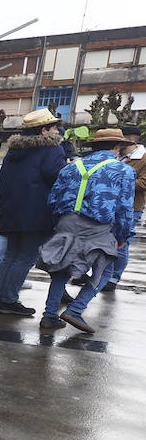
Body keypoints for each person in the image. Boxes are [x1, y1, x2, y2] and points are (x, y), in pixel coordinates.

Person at [35, 127, 136, 334]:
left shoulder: (71, 167)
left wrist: (60, 224)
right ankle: (76, 309)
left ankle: (49, 316)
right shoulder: (124, 171)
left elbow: (52, 199)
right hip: (97, 227)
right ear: (117, 147)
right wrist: (122, 236)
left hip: (66, 223)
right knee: (106, 270)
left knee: (61, 270)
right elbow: (125, 208)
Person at [0, 109, 66, 317]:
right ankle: (9, 300)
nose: (58, 131)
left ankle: (1, 299)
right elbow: (56, 177)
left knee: (11, 255)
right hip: (37, 213)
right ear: (43, 131)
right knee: (25, 257)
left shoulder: (14, 151)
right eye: (54, 128)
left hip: (11, 211)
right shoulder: (52, 150)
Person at [101, 123, 145, 292]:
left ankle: (114, 277)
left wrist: (118, 180)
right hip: (111, 205)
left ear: (130, 139)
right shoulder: (115, 156)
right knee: (106, 241)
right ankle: (102, 274)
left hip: (132, 207)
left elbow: (144, 183)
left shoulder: (143, 158)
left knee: (122, 242)